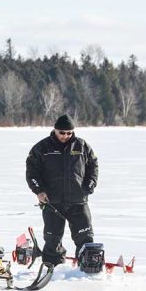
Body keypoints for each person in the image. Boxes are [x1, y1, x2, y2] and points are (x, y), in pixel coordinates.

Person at [25, 114, 99, 266]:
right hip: (52, 202)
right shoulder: (42, 148)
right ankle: (52, 269)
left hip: (78, 201)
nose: (66, 136)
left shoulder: (82, 146)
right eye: (62, 133)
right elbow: (32, 172)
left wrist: (90, 185)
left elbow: (93, 165)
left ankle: (88, 268)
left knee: (85, 237)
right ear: (55, 131)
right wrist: (39, 190)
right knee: (52, 239)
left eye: (69, 133)